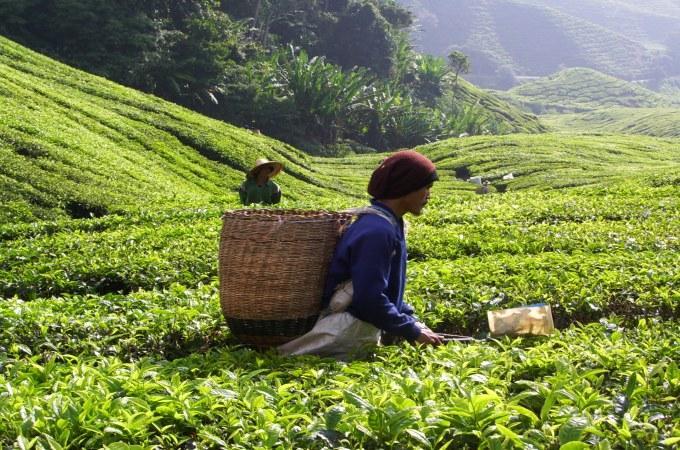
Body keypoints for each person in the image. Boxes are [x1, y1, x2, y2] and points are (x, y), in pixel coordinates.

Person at [278, 150, 444, 358]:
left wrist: (412, 320)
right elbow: (369, 299)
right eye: (426, 187)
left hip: (360, 326)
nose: (428, 194)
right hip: (349, 328)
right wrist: (410, 329)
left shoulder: (388, 224)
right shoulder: (377, 231)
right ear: (406, 187)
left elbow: (387, 290)